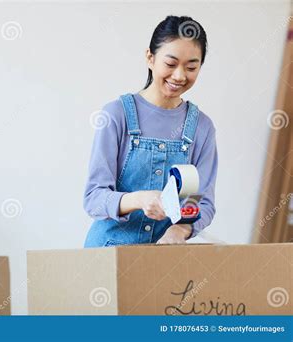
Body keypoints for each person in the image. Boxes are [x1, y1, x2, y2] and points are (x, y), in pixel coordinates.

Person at [83, 15, 217, 247]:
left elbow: (200, 203)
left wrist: (180, 229)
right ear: (150, 57)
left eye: (191, 67)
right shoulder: (116, 115)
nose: (179, 75)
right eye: (171, 63)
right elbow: (94, 198)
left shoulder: (202, 128)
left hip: (164, 259)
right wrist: (140, 199)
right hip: (108, 252)